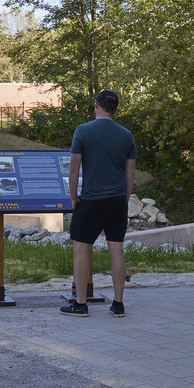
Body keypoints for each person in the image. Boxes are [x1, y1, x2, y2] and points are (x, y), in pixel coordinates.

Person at [62, 89, 137, 317]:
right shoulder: (126, 135)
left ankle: (81, 303)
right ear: (114, 109)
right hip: (116, 200)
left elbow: (74, 167)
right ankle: (118, 304)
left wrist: (73, 197)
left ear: (97, 105)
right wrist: (123, 199)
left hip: (92, 199)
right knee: (117, 250)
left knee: (82, 248)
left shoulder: (83, 131)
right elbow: (130, 173)